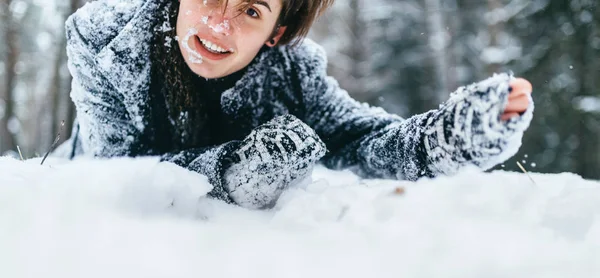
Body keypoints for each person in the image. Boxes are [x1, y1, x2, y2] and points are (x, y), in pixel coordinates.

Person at [62, 0, 534, 209]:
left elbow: (360, 137)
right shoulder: (101, 36)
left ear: (277, 34)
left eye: (251, 11)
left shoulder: (292, 70)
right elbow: (116, 172)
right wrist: (231, 171)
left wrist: (448, 136)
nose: (219, 25)